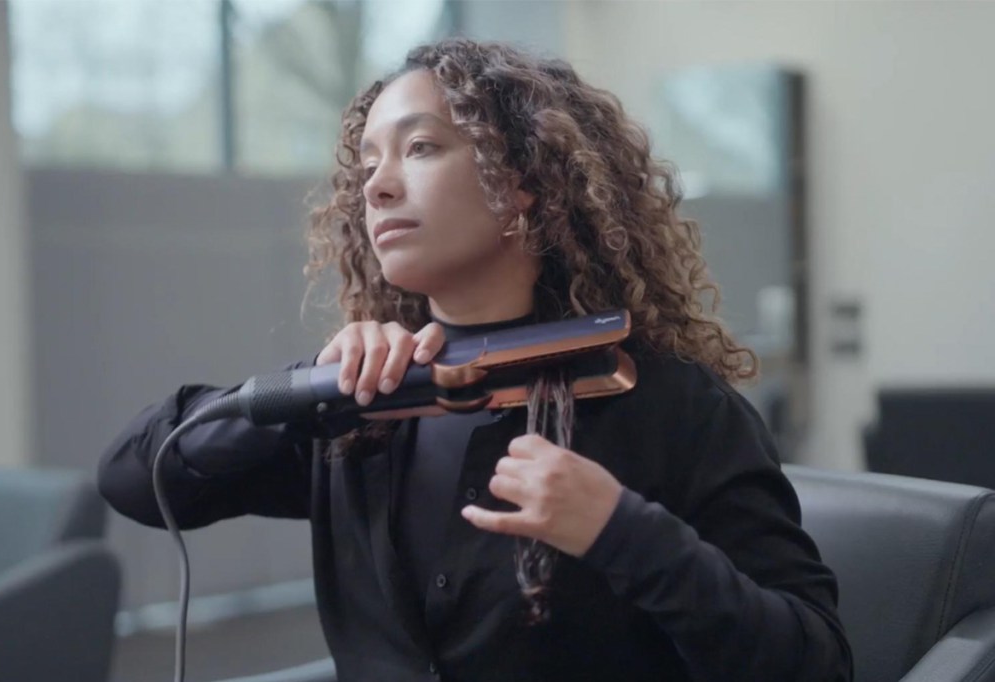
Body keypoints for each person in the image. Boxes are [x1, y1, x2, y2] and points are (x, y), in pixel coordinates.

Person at [98, 38, 852, 682]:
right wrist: (309, 392)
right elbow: (134, 476)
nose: (379, 185)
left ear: (521, 181)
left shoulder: (667, 404)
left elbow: (815, 662)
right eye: (367, 166)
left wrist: (622, 532)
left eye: (420, 148)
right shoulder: (357, 409)